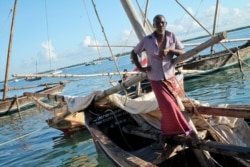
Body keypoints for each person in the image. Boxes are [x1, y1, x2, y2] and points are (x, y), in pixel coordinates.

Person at [130, 14, 193, 137]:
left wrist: (170, 50)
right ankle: (186, 129)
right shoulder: (147, 40)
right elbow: (133, 52)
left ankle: (168, 131)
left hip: (170, 77)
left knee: (172, 105)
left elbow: (182, 52)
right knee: (168, 106)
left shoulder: (171, 36)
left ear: (166, 24)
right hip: (155, 78)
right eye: (157, 23)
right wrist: (141, 68)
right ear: (153, 26)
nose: (160, 25)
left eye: (162, 23)